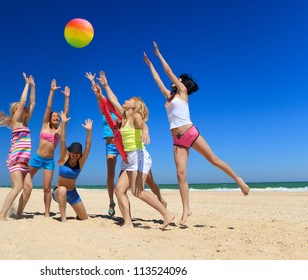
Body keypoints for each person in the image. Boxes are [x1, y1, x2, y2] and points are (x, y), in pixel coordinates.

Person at [143, 41, 250, 225]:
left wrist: (158, 54)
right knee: (181, 175)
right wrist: (150, 65)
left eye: (179, 78)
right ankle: (187, 209)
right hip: (177, 140)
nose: (175, 78)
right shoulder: (169, 96)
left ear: (182, 82)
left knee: (214, 160)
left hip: (190, 133)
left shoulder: (183, 92)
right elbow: (159, 81)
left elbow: (168, 72)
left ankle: (238, 179)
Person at [96, 71, 175, 229]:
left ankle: (167, 214)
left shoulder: (136, 116)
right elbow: (113, 100)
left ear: (134, 105)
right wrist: (105, 86)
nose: (125, 100)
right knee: (119, 190)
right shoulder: (124, 117)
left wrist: (145, 131)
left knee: (137, 191)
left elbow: (143, 125)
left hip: (139, 156)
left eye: (129, 100)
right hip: (129, 159)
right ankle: (128, 222)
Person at [0, 73, 35, 221]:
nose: (25, 109)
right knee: (18, 187)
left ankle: (18, 213)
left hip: (24, 162)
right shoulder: (16, 122)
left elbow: (32, 103)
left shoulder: (25, 123)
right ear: (16, 112)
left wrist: (33, 86)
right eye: (22, 108)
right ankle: (1, 215)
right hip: (15, 159)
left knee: (28, 188)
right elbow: (24, 101)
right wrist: (26, 85)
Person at [17, 79, 69, 218]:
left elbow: (66, 115)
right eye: (54, 116)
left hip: (49, 162)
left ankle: (47, 214)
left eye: (57, 117)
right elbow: (48, 107)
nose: (56, 117)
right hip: (36, 158)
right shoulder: (45, 126)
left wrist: (66, 98)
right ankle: (19, 211)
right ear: (49, 118)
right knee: (25, 185)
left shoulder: (59, 131)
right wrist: (52, 92)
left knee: (47, 188)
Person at [52, 111, 93, 222]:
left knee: (84, 218)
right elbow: (63, 140)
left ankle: (76, 214)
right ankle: (63, 218)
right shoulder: (64, 158)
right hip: (58, 192)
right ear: (69, 152)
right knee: (63, 189)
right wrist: (63, 124)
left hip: (72, 192)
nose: (74, 155)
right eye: (73, 153)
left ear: (80, 154)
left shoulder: (81, 162)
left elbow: (88, 146)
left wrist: (89, 131)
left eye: (77, 153)